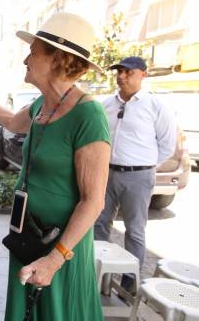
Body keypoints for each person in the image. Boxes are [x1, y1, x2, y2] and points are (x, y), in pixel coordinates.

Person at [0, 12, 111, 320]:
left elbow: (94, 200)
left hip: (58, 246)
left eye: (33, 52)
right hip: (28, 235)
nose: (25, 60)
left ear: (57, 59)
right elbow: (9, 120)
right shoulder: (40, 105)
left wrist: (54, 260)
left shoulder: (89, 115)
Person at [94, 56, 176, 292]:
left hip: (138, 177)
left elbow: (167, 145)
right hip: (107, 173)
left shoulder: (156, 106)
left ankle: (130, 285)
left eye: (128, 72)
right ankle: (99, 279)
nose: (121, 76)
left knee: (135, 231)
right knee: (99, 224)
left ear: (143, 74)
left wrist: (145, 167)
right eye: (119, 71)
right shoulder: (106, 104)